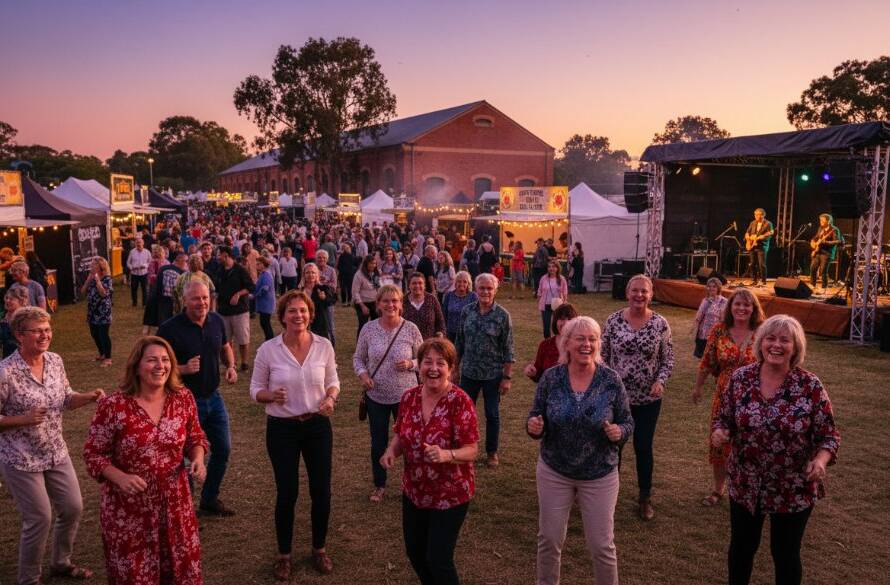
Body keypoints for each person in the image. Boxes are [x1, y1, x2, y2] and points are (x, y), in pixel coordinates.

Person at [712, 315, 840, 585]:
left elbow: (828, 435)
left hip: (792, 486)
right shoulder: (741, 378)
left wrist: (820, 461)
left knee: (785, 554)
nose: (776, 345)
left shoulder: (810, 386)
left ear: (796, 347)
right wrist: (720, 432)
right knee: (741, 550)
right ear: (761, 343)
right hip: (746, 481)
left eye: (785, 340)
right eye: (770, 338)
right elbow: (724, 417)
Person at [83, 336, 208, 585]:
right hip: (129, 510)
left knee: (180, 573)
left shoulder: (182, 398)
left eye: (165, 360)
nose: (160, 366)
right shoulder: (113, 406)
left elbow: (196, 437)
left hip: (175, 505)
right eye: (152, 360)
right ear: (137, 367)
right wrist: (121, 477)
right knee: (136, 576)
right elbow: (93, 454)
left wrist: (198, 458)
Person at [0, 306, 104, 585]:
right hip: (20, 457)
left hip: (55, 451)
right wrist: (22, 419)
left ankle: (60, 563)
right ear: (19, 335)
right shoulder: (6, 371)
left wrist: (89, 397)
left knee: (72, 508)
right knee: (39, 518)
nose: (45, 335)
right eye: (38, 330)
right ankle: (29, 579)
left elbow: (66, 398)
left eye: (47, 329)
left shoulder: (55, 361)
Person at [527, 316, 632, 585]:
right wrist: (534, 426)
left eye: (592, 339)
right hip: (555, 470)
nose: (587, 344)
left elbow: (627, 421)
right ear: (567, 343)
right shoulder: (552, 377)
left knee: (602, 546)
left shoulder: (610, 380)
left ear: (598, 343)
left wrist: (619, 432)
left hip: (599, 474)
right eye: (580, 338)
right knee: (549, 539)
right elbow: (535, 416)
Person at [249, 290, 340, 581]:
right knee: (287, 492)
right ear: (282, 316)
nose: (298, 315)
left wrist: (330, 398)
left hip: (316, 426)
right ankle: (284, 555)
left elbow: (333, 381)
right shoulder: (268, 349)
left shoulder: (324, 346)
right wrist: (270, 396)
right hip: (282, 428)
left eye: (303, 310)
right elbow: (254, 390)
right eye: (292, 311)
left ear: (310, 314)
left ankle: (319, 549)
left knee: (321, 491)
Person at [380, 338, 479, 585]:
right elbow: (401, 435)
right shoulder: (409, 397)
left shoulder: (460, 400)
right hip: (415, 491)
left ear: (451, 368)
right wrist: (391, 451)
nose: (433, 368)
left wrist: (448, 455)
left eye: (440, 363)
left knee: (438, 559)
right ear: (419, 366)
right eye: (427, 362)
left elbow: (472, 449)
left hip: (450, 494)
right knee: (415, 553)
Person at [158, 281, 239, 517]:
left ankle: (209, 498)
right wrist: (182, 368)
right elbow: (154, 366)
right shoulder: (169, 329)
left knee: (222, 449)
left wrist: (231, 366)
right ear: (185, 300)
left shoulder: (216, 320)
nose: (202, 303)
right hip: (182, 402)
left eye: (205, 298)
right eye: (196, 298)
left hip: (213, 398)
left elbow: (225, 347)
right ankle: (185, 511)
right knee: (184, 458)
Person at [601, 274, 674, 520]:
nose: (639, 295)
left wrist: (660, 381)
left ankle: (644, 497)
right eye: (635, 291)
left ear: (651, 295)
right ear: (627, 293)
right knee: (614, 445)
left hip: (647, 400)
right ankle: (608, 495)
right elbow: (602, 356)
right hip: (618, 399)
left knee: (643, 447)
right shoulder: (612, 321)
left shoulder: (660, 324)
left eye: (644, 291)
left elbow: (668, 358)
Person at [693, 288, 764, 507]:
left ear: (754, 309)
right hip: (724, 396)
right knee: (719, 443)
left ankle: (751, 488)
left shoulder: (762, 330)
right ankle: (718, 489)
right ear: (730, 307)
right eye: (737, 304)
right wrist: (698, 388)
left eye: (747, 305)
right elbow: (707, 361)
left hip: (756, 398)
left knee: (752, 443)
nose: (742, 309)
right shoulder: (719, 330)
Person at [354, 285, 423, 503]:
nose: (390, 305)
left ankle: (412, 484)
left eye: (395, 301)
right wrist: (364, 376)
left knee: (409, 441)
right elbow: (358, 358)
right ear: (378, 305)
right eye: (386, 301)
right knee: (378, 443)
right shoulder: (368, 329)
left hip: (407, 397)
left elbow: (424, 359)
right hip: (377, 396)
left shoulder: (411, 329)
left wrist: (411, 363)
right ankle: (380, 485)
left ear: (401, 304)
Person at [454, 272, 514, 468]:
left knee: (492, 414)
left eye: (489, 288)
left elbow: (508, 348)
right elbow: (459, 342)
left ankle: (491, 452)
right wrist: (454, 368)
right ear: (476, 289)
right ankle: (464, 449)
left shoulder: (503, 316)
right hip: (469, 373)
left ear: (495, 290)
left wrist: (507, 377)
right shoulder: (467, 311)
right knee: (464, 414)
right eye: (482, 288)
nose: (485, 292)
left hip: (493, 375)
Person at [216, 246, 255, 371]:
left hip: (239, 311)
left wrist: (238, 294)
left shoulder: (240, 270)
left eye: (219, 255)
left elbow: (251, 287)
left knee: (243, 339)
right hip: (223, 311)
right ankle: (232, 363)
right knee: (226, 340)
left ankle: (244, 362)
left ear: (226, 255)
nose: (218, 257)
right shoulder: (220, 270)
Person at [524, 303, 579, 383]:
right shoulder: (545, 345)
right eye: (562, 319)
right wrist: (532, 373)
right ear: (555, 321)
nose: (566, 323)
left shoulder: (581, 345)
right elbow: (540, 376)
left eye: (569, 319)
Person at [81, 257, 114, 368]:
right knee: (94, 333)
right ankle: (102, 354)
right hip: (92, 309)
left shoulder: (107, 279)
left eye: (93, 265)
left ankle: (108, 358)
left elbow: (103, 293)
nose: (91, 267)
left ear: (100, 267)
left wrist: (97, 280)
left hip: (103, 310)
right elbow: (83, 292)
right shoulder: (90, 277)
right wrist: (88, 280)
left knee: (103, 334)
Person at [403, 271, 446, 340]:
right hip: (408, 343)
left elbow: (440, 322)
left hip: (429, 344)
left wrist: (440, 335)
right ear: (409, 285)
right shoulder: (403, 301)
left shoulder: (432, 299)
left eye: (420, 283)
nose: (417, 286)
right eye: (414, 283)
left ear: (424, 285)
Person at [300, 262, 336, 343]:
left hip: (319, 323)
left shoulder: (323, 288)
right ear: (304, 275)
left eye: (313, 272)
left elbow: (331, 301)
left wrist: (324, 298)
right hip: (302, 321)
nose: (310, 275)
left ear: (317, 275)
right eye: (307, 272)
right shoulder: (299, 290)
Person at [692, 277, 728, 358]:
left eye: (714, 286)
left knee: (715, 357)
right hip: (703, 334)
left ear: (718, 288)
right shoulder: (705, 300)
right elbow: (698, 317)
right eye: (709, 286)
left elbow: (724, 319)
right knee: (703, 358)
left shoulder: (724, 302)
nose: (711, 288)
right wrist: (695, 330)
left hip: (715, 335)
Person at [809, 213, 844, 291]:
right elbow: (815, 237)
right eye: (820, 220)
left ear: (828, 221)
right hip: (818, 252)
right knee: (812, 268)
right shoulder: (820, 228)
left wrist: (825, 242)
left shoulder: (834, 230)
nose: (820, 221)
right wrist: (813, 242)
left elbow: (838, 241)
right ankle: (812, 285)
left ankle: (824, 288)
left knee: (823, 271)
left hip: (827, 253)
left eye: (822, 220)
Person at [441, 271, 477, 343]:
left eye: (465, 282)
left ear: (468, 284)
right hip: (450, 333)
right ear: (455, 283)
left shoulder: (473, 296)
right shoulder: (449, 295)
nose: (461, 284)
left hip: (467, 334)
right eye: (459, 281)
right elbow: (443, 314)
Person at [536, 259, 569, 339]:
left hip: (558, 305)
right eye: (549, 267)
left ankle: (558, 341)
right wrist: (539, 301)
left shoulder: (561, 279)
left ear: (557, 268)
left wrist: (564, 302)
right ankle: (547, 342)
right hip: (546, 305)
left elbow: (565, 292)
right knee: (546, 326)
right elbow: (539, 291)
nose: (551, 269)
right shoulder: (543, 278)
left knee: (557, 326)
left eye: (553, 267)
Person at [141, 245, 169, 335]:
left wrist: (157, 276)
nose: (157, 255)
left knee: (161, 309)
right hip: (154, 288)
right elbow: (150, 277)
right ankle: (148, 326)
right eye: (155, 253)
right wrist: (158, 276)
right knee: (151, 307)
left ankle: (159, 327)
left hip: (164, 289)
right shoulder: (152, 263)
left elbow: (167, 276)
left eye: (159, 252)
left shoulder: (167, 263)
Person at [743, 208, 774, 287]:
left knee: (762, 264)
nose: (756, 216)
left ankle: (763, 281)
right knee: (752, 263)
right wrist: (747, 238)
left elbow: (771, 233)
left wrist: (762, 237)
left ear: (763, 215)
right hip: (752, 246)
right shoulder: (752, 223)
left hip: (762, 246)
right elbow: (747, 232)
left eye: (758, 214)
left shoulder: (768, 224)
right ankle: (754, 280)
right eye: (755, 214)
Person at [352, 254, 381, 336]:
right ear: (366, 264)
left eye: (375, 263)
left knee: (376, 325)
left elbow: (378, 288)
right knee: (363, 326)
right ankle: (360, 346)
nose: (373, 265)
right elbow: (355, 292)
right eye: (371, 263)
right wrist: (362, 306)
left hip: (374, 302)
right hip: (362, 303)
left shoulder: (376, 273)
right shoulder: (359, 275)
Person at [155, 252, 187, 325]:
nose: (187, 264)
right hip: (168, 303)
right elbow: (169, 293)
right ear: (180, 260)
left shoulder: (164, 268)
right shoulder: (172, 272)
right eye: (186, 261)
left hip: (161, 302)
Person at [315, 249, 339, 346]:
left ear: (327, 259)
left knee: (329, 324)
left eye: (324, 258)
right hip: (315, 300)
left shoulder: (331, 270)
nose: (321, 259)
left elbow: (334, 286)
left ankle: (331, 346)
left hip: (327, 301)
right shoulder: (313, 269)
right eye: (319, 257)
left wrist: (321, 284)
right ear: (316, 259)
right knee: (316, 324)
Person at [1, 287, 29, 357]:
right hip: (7, 360)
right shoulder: (2, 317)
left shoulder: (27, 318)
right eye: (6, 298)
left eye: (11, 299)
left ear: (21, 301)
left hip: (25, 358)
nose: (7, 301)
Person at [255, 256, 277, 341]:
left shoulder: (267, 275)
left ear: (264, 265)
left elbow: (265, 288)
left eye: (259, 264)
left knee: (265, 323)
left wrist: (255, 295)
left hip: (267, 303)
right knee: (264, 322)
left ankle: (270, 340)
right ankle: (269, 339)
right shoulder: (263, 274)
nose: (257, 266)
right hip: (264, 303)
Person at [126, 237, 151, 307]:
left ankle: (144, 303)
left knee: (145, 289)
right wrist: (131, 267)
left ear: (143, 243)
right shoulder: (132, 252)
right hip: (134, 273)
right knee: (133, 288)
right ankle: (134, 303)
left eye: (140, 242)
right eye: (137, 243)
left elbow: (150, 262)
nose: (138, 244)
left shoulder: (147, 252)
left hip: (144, 273)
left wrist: (145, 265)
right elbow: (128, 262)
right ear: (135, 244)